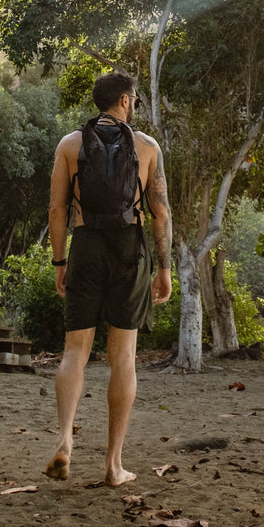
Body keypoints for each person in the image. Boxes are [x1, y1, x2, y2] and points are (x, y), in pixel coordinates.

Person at [45, 70, 172, 486]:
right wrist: (164, 268)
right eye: (134, 100)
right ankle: (113, 466)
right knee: (123, 359)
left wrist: (60, 263)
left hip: (86, 246)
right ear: (122, 100)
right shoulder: (147, 146)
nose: (134, 105)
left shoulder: (70, 145)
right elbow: (160, 213)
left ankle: (65, 439)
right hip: (129, 251)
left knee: (74, 353)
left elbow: (57, 211)